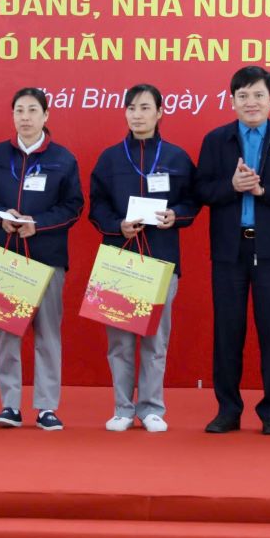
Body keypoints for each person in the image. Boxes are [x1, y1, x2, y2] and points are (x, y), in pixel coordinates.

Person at [195, 65, 270, 435]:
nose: (251, 102)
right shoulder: (217, 140)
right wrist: (231, 186)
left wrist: (265, 192)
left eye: (258, 95)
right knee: (227, 331)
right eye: (243, 96)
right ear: (232, 100)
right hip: (229, 251)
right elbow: (201, 191)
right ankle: (227, 409)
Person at [88, 84, 199, 433]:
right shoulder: (109, 158)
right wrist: (116, 225)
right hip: (120, 258)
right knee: (120, 342)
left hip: (161, 259)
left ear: (160, 112)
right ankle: (122, 408)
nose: (138, 114)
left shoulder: (177, 157)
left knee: (155, 340)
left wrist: (175, 216)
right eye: (132, 108)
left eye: (145, 107)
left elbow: (193, 201)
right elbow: (96, 207)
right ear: (124, 112)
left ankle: (151, 408)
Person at [0, 87, 83, 431]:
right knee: (7, 333)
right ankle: (10, 405)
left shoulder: (63, 159)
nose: (25, 117)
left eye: (32, 110)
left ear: (46, 115)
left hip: (47, 256)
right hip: (6, 256)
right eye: (19, 110)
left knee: (48, 333)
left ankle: (47, 406)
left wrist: (40, 224)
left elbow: (74, 206)